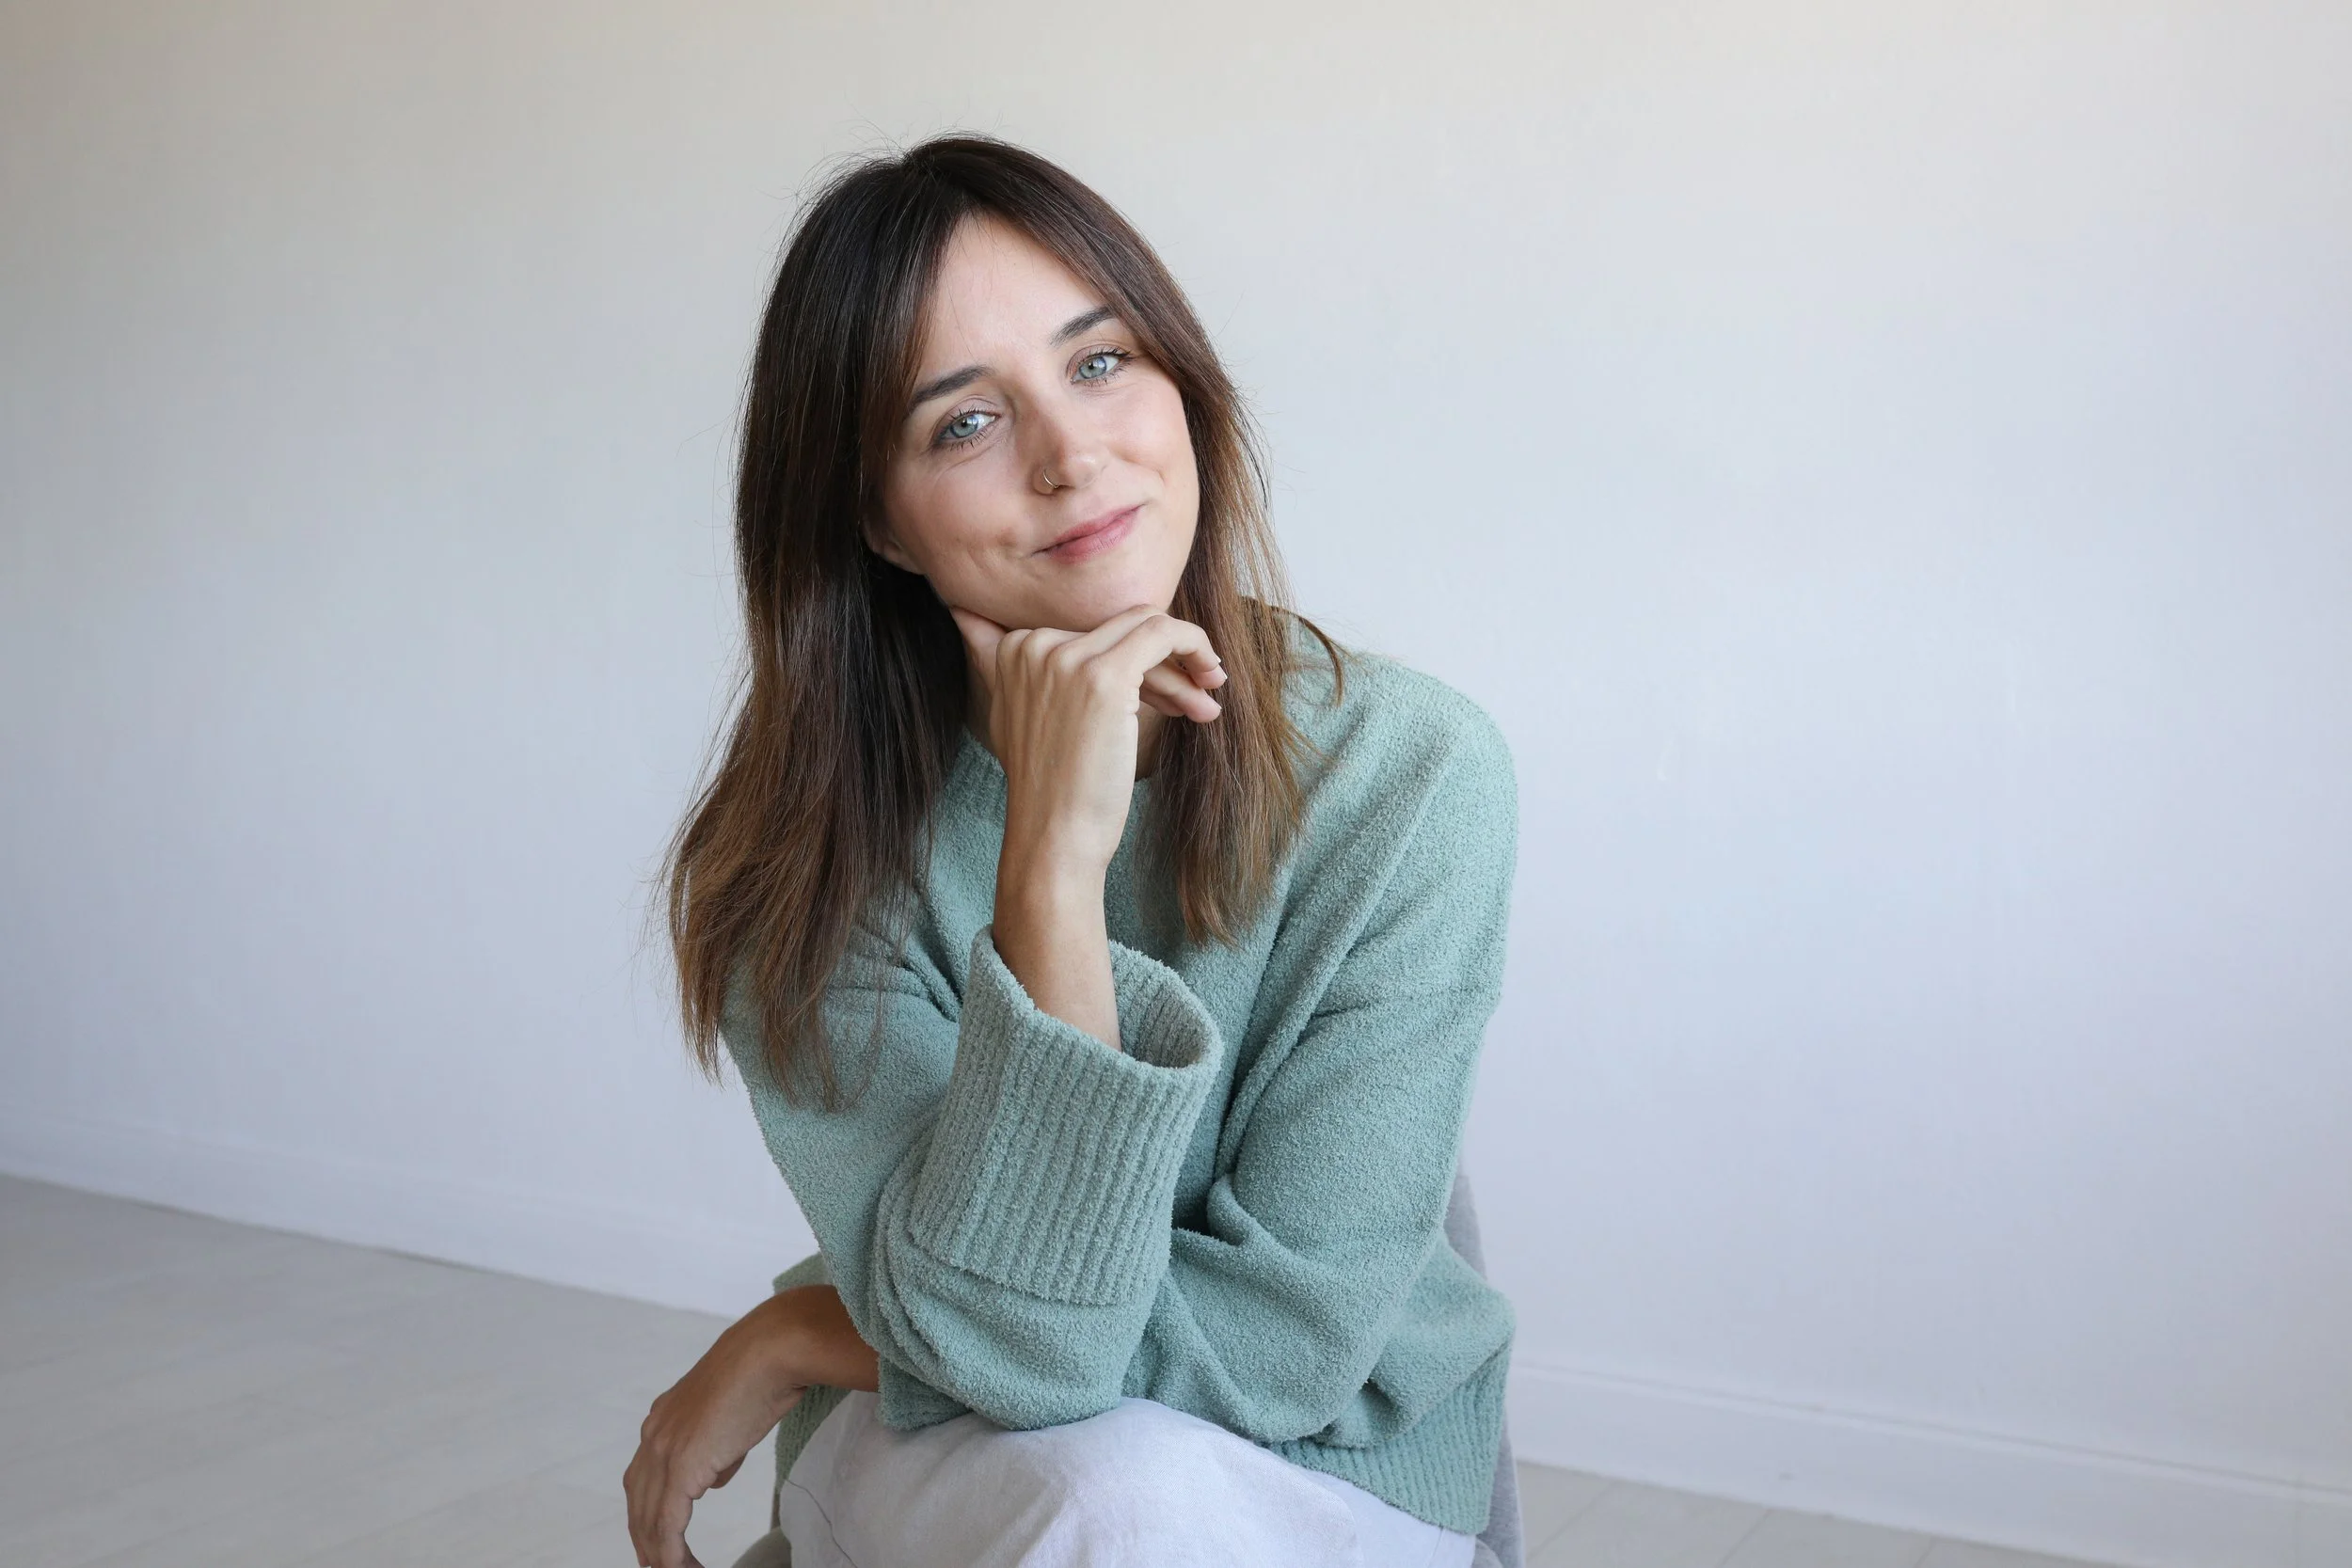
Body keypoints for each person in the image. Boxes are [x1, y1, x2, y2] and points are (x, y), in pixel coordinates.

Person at [623, 134, 1520, 1568]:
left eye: (1100, 362)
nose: (1071, 455)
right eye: (964, 423)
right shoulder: (801, 860)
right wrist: (1051, 861)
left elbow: (1288, 1343)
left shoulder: (1406, 772)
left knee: (1135, 1504)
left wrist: (809, 1330)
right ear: (878, 520)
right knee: (1116, 1502)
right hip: (964, 1448)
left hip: (1337, 1457)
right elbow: (1017, 1355)